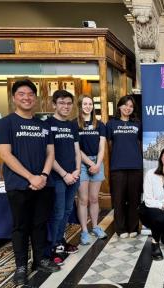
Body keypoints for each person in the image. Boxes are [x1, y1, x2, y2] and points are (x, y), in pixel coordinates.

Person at [0, 79, 60, 286]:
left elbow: (51, 153)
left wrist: (43, 175)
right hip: (19, 185)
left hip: (43, 184)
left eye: (31, 94)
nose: (27, 97)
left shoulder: (43, 125)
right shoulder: (5, 123)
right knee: (20, 227)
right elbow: (5, 154)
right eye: (22, 94)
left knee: (40, 224)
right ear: (14, 98)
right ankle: (21, 265)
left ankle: (39, 260)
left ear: (36, 98)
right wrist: (31, 177)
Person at [45, 90, 81, 265]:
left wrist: (77, 171)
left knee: (67, 211)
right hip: (57, 177)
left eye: (68, 103)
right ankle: (54, 246)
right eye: (61, 103)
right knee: (57, 213)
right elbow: (48, 155)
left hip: (73, 176)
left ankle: (61, 241)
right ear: (54, 104)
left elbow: (76, 150)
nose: (65, 106)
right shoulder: (47, 124)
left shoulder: (72, 125)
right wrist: (64, 174)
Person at [106, 95, 143, 238]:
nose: (128, 108)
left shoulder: (137, 124)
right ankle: (120, 228)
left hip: (135, 166)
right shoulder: (111, 124)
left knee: (134, 199)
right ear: (119, 106)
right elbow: (105, 144)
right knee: (119, 199)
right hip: (117, 167)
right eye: (125, 105)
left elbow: (141, 143)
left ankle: (133, 227)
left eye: (131, 106)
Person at [76, 95, 107, 245]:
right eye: (85, 104)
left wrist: (97, 164)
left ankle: (95, 226)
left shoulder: (100, 125)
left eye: (90, 104)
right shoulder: (74, 124)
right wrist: (89, 164)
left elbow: (102, 147)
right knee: (83, 199)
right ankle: (84, 231)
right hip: (81, 162)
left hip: (97, 162)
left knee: (94, 198)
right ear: (80, 106)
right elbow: (76, 149)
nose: (88, 106)